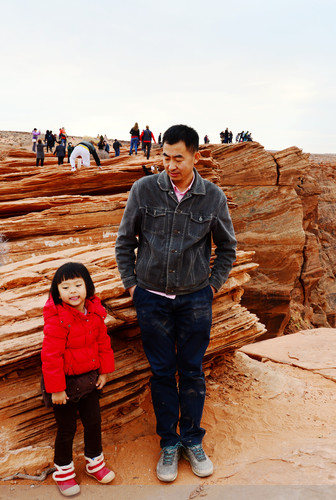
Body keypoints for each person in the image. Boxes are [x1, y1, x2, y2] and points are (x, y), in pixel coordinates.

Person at [115, 124, 237, 483]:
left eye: (178, 158)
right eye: (165, 157)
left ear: (195, 156)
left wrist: (212, 287)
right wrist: (132, 287)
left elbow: (227, 248)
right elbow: (125, 242)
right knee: (162, 372)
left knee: (193, 371)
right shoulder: (144, 190)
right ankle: (169, 443)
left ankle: (192, 440)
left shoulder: (212, 197)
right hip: (151, 298)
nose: (170, 165)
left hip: (195, 299)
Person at [41, 262, 117, 496]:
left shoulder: (94, 313)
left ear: (88, 287)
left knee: (93, 422)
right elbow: (51, 356)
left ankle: (95, 463)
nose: (73, 291)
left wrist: (104, 371)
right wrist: (56, 389)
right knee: (67, 428)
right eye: (65, 287)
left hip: (89, 380)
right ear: (57, 292)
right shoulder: (57, 318)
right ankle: (63, 473)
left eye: (78, 285)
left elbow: (103, 343)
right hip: (63, 385)